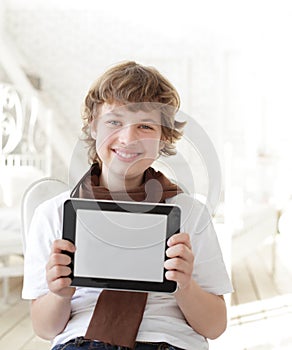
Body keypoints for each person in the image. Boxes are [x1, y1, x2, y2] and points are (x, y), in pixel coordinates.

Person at [22, 61, 233, 350]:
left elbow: (215, 326)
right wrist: (61, 293)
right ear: (92, 126)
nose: (128, 138)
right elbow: (45, 329)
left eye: (145, 126)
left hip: (167, 341)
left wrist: (184, 287)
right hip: (82, 340)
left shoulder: (190, 215)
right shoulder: (53, 215)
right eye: (114, 122)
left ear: (164, 138)